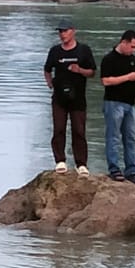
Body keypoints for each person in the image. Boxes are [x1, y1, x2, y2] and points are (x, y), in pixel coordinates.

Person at [43, 20, 97, 175]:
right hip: (59, 97)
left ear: (73, 31)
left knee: (79, 131)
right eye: (60, 31)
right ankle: (60, 160)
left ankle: (81, 164)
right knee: (59, 129)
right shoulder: (55, 51)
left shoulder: (84, 50)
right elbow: (47, 69)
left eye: (65, 31)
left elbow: (92, 72)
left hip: (78, 97)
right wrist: (49, 83)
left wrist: (79, 70)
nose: (62, 34)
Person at [100, 29, 135, 184]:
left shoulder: (131, 58)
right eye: (132, 46)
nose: (134, 50)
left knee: (130, 138)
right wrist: (128, 77)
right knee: (113, 137)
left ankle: (131, 171)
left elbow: (130, 75)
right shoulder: (109, 59)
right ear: (124, 42)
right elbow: (106, 81)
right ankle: (114, 169)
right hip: (114, 102)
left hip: (130, 103)